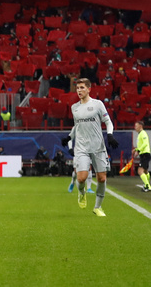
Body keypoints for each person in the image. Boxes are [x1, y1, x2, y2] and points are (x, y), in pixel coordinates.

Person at [62, 77, 117, 217]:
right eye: (77, 88)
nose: (79, 90)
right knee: (81, 178)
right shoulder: (75, 107)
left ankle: (97, 207)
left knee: (102, 178)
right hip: (82, 148)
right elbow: (77, 126)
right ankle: (81, 192)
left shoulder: (98, 104)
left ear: (89, 89)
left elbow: (108, 122)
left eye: (82, 87)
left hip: (98, 147)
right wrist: (69, 137)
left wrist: (110, 135)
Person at [131, 121, 151, 192]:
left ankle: (147, 185)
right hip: (145, 153)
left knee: (140, 171)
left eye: (136, 126)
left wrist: (138, 150)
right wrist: (136, 150)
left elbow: (145, 144)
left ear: (140, 126)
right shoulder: (140, 134)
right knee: (145, 171)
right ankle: (148, 185)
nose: (135, 127)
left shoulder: (143, 133)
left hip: (144, 154)